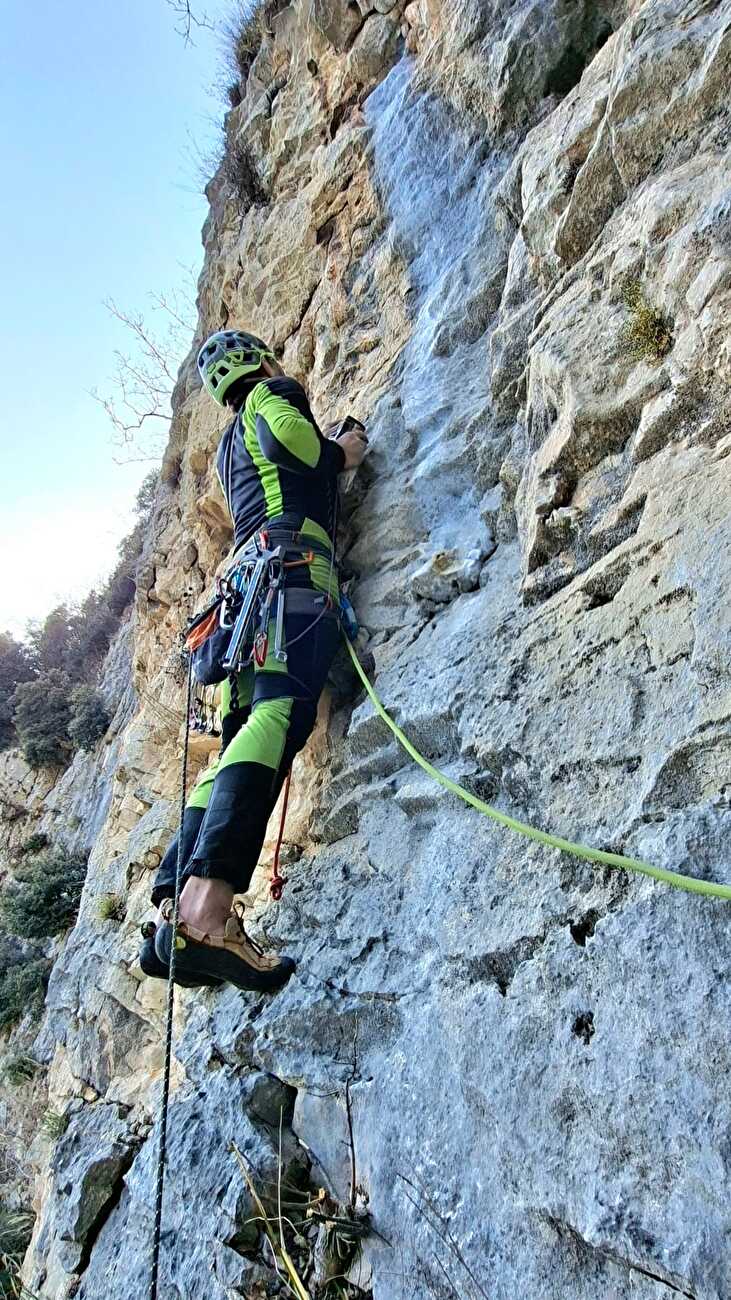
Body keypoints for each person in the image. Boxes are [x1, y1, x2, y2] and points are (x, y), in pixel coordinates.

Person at [139, 330, 367, 992]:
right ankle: (208, 910)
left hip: (242, 600)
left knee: (240, 736)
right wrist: (341, 452)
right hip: (289, 578)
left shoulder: (223, 455)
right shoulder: (271, 393)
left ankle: (173, 908)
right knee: (278, 712)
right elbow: (296, 447)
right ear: (260, 365)